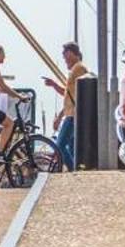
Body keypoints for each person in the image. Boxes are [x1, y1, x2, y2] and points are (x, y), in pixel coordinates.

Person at [43, 40, 88, 170]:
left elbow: (76, 96)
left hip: (73, 115)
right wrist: (54, 85)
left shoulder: (79, 68)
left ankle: (73, 171)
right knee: (71, 146)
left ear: (74, 53)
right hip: (71, 113)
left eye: (65, 54)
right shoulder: (75, 70)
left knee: (60, 145)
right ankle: (77, 169)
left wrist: (60, 117)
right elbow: (69, 95)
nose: (63, 57)